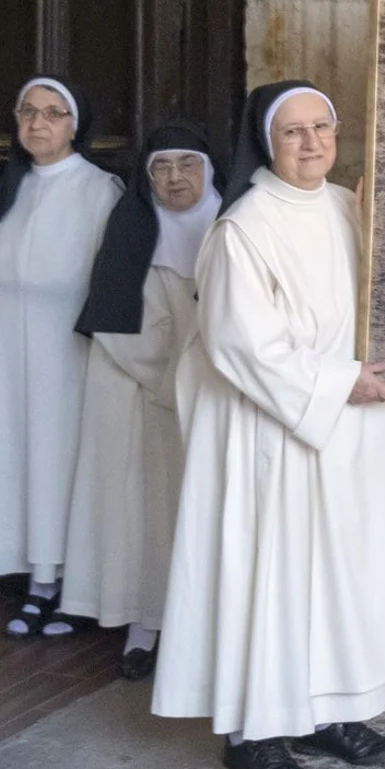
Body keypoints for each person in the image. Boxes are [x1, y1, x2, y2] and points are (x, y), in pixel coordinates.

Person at [154, 81, 385, 769]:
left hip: (344, 424)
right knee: (269, 573)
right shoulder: (245, 225)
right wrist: (336, 384)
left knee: (337, 571)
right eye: (293, 132)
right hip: (272, 428)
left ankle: (329, 708)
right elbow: (241, 345)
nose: (311, 143)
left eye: (321, 127)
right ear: (267, 142)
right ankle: (254, 728)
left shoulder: (340, 207)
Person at [61, 123, 224, 680]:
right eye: (161, 167)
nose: (175, 178)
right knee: (145, 513)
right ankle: (144, 624)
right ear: (146, 177)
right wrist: (170, 383)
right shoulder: (132, 230)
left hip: (217, 395)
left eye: (188, 164)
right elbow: (118, 325)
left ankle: (207, 626)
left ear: (210, 169)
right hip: (144, 394)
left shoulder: (233, 231)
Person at [0, 77, 123, 634]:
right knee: (11, 457)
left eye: (53, 113)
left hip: (65, 351)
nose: (38, 124)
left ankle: (62, 583)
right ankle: (28, 575)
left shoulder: (98, 189)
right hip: (5, 349)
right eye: (28, 112)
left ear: (74, 125)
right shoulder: (9, 185)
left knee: (57, 461)